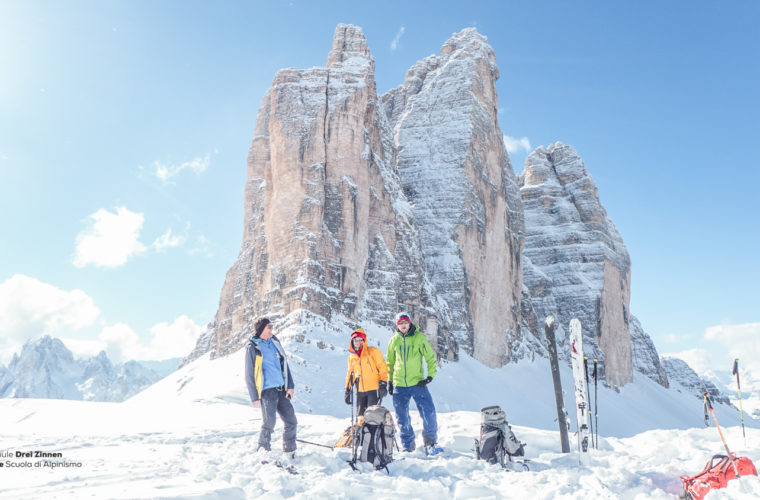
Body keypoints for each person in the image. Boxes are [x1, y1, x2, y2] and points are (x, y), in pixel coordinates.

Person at [386, 312, 439, 453]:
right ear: (397, 325)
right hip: (399, 384)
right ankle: (408, 445)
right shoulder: (394, 340)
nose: (403, 325)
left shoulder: (419, 338)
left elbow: (430, 357)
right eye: (400, 323)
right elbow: (390, 362)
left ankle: (430, 441)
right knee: (402, 416)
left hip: (417, 383)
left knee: (428, 411)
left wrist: (430, 376)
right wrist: (390, 381)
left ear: (409, 323)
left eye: (405, 322)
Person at [244, 317, 297, 457]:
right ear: (262, 329)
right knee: (269, 422)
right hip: (267, 391)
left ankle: (289, 450)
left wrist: (290, 386)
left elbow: (284, 365)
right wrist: (254, 397)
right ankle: (263, 450)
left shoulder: (275, 343)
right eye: (269, 326)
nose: (272, 329)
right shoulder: (253, 347)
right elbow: (249, 373)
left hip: (282, 389)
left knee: (291, 421)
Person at [344, 328, 389, 417]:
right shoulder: (352, 357)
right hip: (360, 391)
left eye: (360, 339)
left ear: (364, 340)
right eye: (355, 340)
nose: (358, 342)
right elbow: (350, 374)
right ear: (352, 341)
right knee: (360, 417)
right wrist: (347, 389)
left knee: (372, 416)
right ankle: (362, 430)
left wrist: (383, 383)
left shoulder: (373, 351)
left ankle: (374, 431)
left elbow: (382, 367)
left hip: (374, 389)